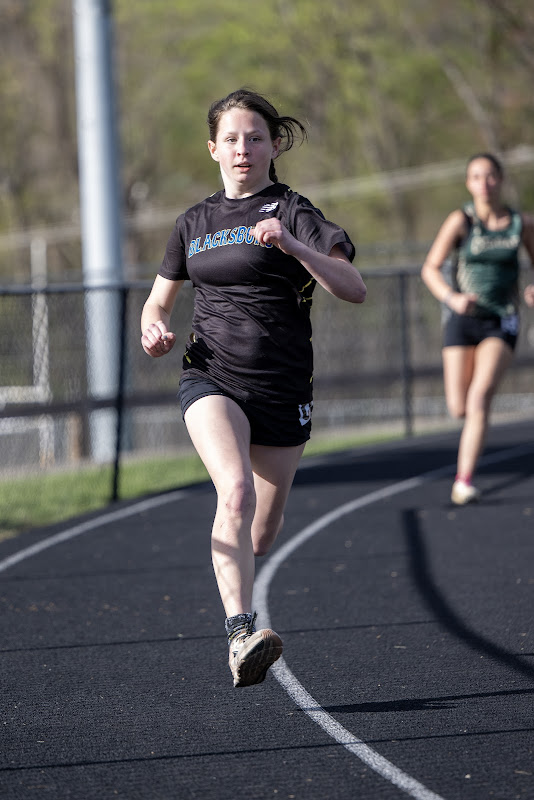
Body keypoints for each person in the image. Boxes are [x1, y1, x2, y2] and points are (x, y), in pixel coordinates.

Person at [141, 89, 366, 687]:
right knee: (233, 492)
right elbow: (156, 302)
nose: (244, 148)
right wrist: (154, 329)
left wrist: (292, 245)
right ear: (214, 148)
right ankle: (241, 633)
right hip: (209, 374)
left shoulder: (294, 210)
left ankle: (239, 574)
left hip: (282, 386)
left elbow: (354, 287)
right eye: (232, 139)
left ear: (273, 146)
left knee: (261, 532)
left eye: (256, 137)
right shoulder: (192, 223)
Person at [421, 152, 534, 505]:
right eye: (476, 177)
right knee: (459, 407)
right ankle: (473, 438)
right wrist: (452, 298)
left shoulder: (521, 223)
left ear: (500, 181)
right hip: (462, 319)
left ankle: (463, 480)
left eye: (490, 177)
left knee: (479, 397)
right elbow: (430, 267)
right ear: (468, 183)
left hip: (501, 319)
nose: (484, 184)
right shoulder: (461, 221)